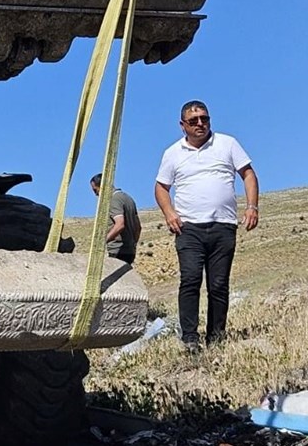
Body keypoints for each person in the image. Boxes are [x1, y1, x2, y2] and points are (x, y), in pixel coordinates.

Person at [154, 100, 259, 349]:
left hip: (223, 225)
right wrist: (169, 213)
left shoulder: (228, 144)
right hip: (189, 228)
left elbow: (248, 174)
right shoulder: (172, 153)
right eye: (194, 121)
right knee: (190, 280)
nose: (200, 124)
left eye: (204, 119)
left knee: (219, 284)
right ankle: (190, 336)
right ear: (182, 126)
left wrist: (252, 207)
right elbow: (161, 187)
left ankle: (216, 337)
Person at [90, 173, 142, 264]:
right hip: (130, 252)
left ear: (102, 186)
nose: (96, 194)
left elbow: (120, 224)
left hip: (117, 251)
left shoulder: (114, 199)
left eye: (95, 190)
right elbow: (138, 227)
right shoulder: (128, 198)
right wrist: (133, 244)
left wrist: (102, 241)